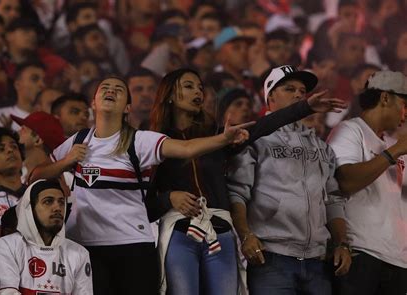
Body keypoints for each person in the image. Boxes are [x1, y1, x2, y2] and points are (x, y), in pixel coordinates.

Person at [30, 76, 251, 295]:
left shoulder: (140, 141)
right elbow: (36, 176)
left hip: (133, 246)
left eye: (119, 89)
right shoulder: (78, 140)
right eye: (105, 88)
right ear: (93, 103)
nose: (111, 90)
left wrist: (224, 139)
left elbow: (186, 148)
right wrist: (66, 161)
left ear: (127, 107)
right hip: (85, 246)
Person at [147, 68, 347, 295]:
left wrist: (306, 107)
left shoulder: (220, 135)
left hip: (220, 233)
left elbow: (260, 127)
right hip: (182, 233)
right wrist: (169, 198)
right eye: (189, 86)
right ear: (169, 95)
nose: (198, 92)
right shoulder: (152, 142)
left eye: (200, 88)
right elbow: (144, 207)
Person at [227, 65, 351, 295]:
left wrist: (341, 242)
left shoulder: (320, 146)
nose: (297, 95)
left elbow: (333, 199)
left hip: (317, 260)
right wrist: (246, 235)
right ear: (270, 95)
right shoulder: (254, 139)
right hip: (271, 258)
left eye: (302, 91)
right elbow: (237, 193)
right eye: (289, 88)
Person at [327, 70, 407, 295]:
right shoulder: (350, 130)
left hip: (398, 259)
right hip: (362, 253)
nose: (406, 113)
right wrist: (395, 152)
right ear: (385, 98)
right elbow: (346, 180)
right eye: (404, 104)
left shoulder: (393, 142)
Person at [0, 179, 93, 294]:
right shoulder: (7, 246)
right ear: (29, 209)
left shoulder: (79, 253)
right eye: (48, 201)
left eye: (61, 202)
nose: (57, 208)